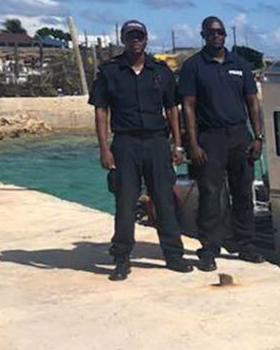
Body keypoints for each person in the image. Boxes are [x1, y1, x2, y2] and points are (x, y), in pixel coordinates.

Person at [89, 20, 193, 281]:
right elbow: (101, 111)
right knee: (125, 202)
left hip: (157, 142)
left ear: (146, 39)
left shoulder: (160, 71)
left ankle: (173, 255)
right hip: (125, 144)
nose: (135, 40)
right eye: (130, 36)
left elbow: (172, 109)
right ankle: (122, 258)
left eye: (139, 36)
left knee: (164, 201)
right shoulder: (110, 72)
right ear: (123, 39)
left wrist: (177, 144)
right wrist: (104, 149)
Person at [179, 16, 265, 271]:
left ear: (225, 35)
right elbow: (188, 106)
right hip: (210, 137)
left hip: (239, 136)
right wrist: (192, 144)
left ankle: (246, 244)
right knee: (211, 195)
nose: (216, 36)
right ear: (203, 35)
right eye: (211, 32)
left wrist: (258, 137)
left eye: (220, 32)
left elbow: (253, 102)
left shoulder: (240, 64)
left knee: (243, 193)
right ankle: (209, 248)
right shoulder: (193, 66)